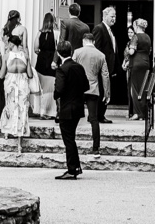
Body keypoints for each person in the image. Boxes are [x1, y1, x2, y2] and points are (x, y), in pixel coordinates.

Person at [52, 40, 89, 180]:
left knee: (68, 140)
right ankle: (76, 167)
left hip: (67, 108)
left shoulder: (62, 69)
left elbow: (59, 90)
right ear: (71, 51)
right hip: (78, 106)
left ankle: (72, 169)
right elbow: (86, 85)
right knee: (71, 138)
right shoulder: (78, 67)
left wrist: (57, 93)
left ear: (58, 53)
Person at [72, 31, 110, 154]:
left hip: (78, 88)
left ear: (84, 41)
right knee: (94, 119)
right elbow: (105, 75)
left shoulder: (77, 52)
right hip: (93, 89)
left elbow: (71, 69)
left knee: (73, 118)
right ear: (93, 42)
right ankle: (95, 147)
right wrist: (107, 92)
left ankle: (70, 145)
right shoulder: (101, 55)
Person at [0, 31, 33, 150]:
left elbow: (1, 75)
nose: (6, 45)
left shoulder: (7, 56)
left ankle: (8, 132)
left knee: (10, 107)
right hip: (22, 83)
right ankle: (19, 143)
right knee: (22, 109)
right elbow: (30, 74)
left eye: (8, 43)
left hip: (11, 83)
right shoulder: (25, 55)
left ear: (12, 43)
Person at [124, 17, 154, 120]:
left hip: (136, 63)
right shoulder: (148, 37)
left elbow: (132, 52)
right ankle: (144, 114)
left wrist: (128, 50)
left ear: (137, 26)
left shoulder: (135, 37)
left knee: (135, 89)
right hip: (146, 63)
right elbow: (149, 51)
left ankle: (137, 113)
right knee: (144, 88)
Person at [33, 12, 59, 117]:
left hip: (41, 61)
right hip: (52, 61)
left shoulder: (39, 33)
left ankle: (40, 111)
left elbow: (35, 49)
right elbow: (58, 48)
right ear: (53, 21)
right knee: (51, 87)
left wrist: (42, 53)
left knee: (41, 87)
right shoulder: (56, 32)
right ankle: (49, 111)